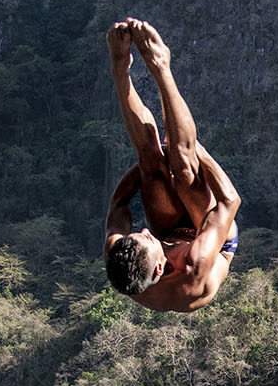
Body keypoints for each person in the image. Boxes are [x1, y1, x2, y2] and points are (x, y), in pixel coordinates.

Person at [102, 18, 240, 313]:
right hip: (214, 234)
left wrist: (147, 164)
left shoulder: (118, 256)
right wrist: (199, 151)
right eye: (148, 239)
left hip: (174, 232)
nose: (145, 230)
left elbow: (119, 202)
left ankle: (119, 71)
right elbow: (230, 201)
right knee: (184, 165)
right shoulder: (194, 268)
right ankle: (161, 66)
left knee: (151, 159)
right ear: (159, 270)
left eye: (139, 234)